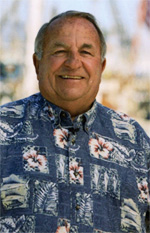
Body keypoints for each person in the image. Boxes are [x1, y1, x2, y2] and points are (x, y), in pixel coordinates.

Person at [0, 11, 149, 233]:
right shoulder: (3, 127)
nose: (73, 63)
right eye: (60, 51)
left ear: (101, 66)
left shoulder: (134, 139)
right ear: (37, 63)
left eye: (86, 52)